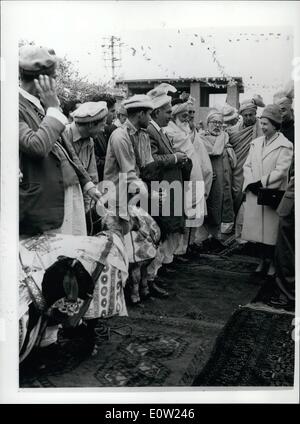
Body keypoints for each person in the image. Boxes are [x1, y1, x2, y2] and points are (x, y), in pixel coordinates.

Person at [19, 45, 100, 238]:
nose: (56, 83)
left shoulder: (41, 104)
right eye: (54, 78)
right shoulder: (13, 105)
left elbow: (65, 147)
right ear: (43, 80)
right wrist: (54, 109)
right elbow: (36, 146)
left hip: (68, 193)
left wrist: (86, 182)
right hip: (46, 201)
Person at [103, 94, 166, 303]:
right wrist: (151, 194)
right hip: (117, 199)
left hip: (132, 197)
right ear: (140, 114)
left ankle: (133, 291)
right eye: (149, 113)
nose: (151, 117)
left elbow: (146, 165)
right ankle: (112, 296)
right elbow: (129, 173)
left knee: (136, 249)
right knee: (117, 249)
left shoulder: (142, 134)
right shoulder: (120, 136)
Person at [146, 83, 192, 281]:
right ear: (156, 112)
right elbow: (152, 160)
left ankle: (158, 270)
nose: (169, 116)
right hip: (159, 189)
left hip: (168, 187)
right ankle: (150, 277)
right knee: (160, 230)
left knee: (168, 229)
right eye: (167, 112)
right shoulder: (150, 131)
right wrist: (175, 158)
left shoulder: (161, 130)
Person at [242, 104, 293, 277]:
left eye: (266, 124)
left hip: (272, 193)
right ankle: (261, 261)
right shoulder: (255, 143)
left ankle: (271, 263)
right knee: (258, 232)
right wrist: (251, 183)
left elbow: (281, 171)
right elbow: (247, 165)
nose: (262, 127)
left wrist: (262, 183)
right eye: (261, 123)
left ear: (275, 125)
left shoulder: (285, 145)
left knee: (271, 231)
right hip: (256, 192)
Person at [165, 99, 206, 258]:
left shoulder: (187, 130)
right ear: (174, 116)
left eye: (188, 115)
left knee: (192, 214)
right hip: (180, 179)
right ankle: (175, 252)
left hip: (194, 177)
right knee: (179, 215)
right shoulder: (169, 131)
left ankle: (185, 248)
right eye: (183, 116)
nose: (187, 118)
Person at [227, 95, 264, 241]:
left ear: (256, 114)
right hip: (238, 170)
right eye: (245, 115)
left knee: (251, 199)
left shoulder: (262, 127)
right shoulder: (234, 130)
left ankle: (248, 234)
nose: (249, 117)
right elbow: (227, 140)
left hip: (255, 170)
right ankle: (236, 230)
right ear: (241, 115)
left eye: (251, 114)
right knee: (236, 195)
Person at [198, 110, 236, 247]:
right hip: (209, 179)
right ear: (207, 124)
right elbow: (199, 161)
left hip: (224, 179)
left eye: (220, 123)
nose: (217, 125)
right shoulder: (201, 138)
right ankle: (204, 238)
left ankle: (215, 237)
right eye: (214, 122)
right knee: (209, 206)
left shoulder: (225, 137)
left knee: (221, 205)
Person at [64, 101, 108, 213]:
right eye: (102, 125)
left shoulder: (90, 141)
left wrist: (88, 210)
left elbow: (92, 176)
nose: (103, 130)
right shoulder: (63, 135)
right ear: (90, 125)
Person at [91, 94, 117, 181]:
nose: (115, 115)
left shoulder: (108, 130)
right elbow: (95, 163)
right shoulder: (92, 133)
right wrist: (113, 159)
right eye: (112, 111)